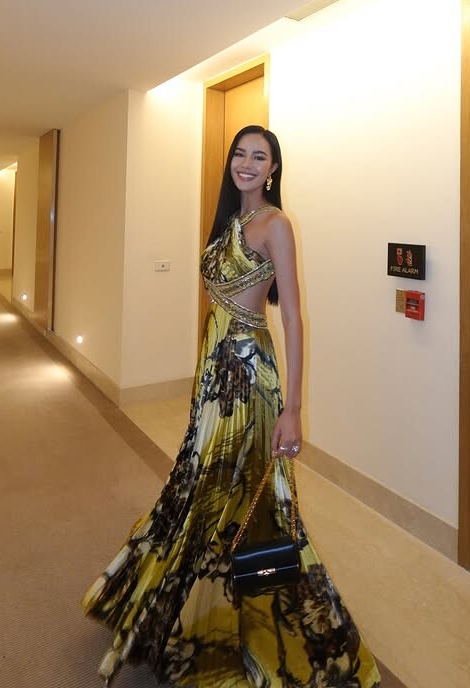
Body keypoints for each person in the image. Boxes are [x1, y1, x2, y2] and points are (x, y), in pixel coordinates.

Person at [83, 125, 381, 687]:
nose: (247, 163)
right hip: (214, 375)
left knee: (237, 497)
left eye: (259, 156)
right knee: (197, 485)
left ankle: (244, 626)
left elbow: (292, 316)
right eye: (239, 154)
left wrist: (294, 408)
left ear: (273, 168)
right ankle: (187, 612)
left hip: (249, 378)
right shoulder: (228, 223)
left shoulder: (276, 224)